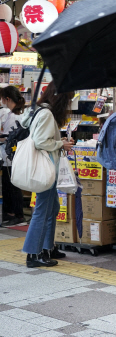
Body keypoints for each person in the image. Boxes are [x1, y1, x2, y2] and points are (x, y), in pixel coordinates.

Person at [21, 84, 74, 267]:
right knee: (43, 211)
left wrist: (60, 143)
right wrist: (61, 145)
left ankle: (47, 248)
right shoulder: (46, 114)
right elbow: (41, 141)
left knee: (52, 208)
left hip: (47, 168)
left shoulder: (40, 111)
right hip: (45, 168)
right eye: (68, 100)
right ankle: (33, 254)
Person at [0, 86, 27, 226]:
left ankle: (17, 215)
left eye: (2, 98)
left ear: (7, 99)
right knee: (9, 185)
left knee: (12, 186)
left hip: (12, 156)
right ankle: (10, 213)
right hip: (11, 156)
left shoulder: (14, 116)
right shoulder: (17, 113)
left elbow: (8, 137)